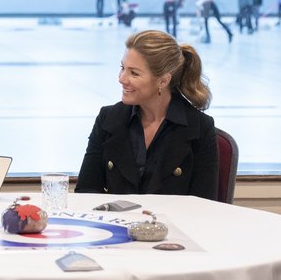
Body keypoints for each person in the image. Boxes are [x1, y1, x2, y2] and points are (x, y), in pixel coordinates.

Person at [75, 30, 219, 199]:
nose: (122, 78)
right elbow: (86, 192)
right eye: (123, 68)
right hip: (116, 224)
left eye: (134, 73)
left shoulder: (200, 127)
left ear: (163, 81)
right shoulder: (108, 118)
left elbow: (203, 206)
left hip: (176, 224)